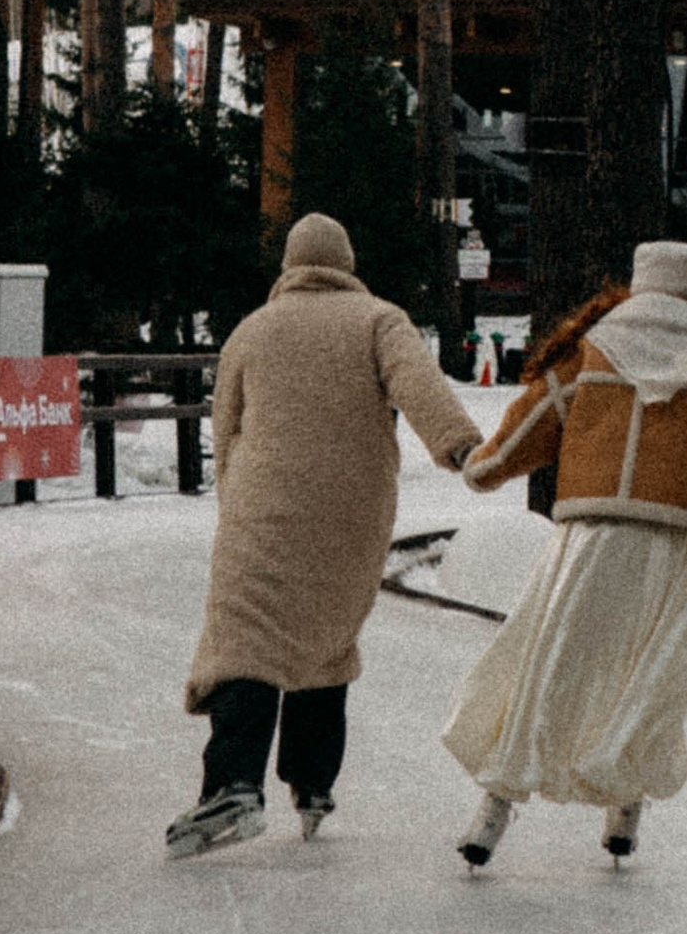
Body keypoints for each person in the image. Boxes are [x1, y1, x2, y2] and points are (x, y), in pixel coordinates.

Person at [442, 239, 687, 872]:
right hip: (670, 545)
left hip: (588, 538)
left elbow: (527, 427)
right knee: (648, 677)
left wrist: (482, 469)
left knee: (548, 669)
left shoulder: (590, 349)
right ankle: (625, 803)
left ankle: (494, 809)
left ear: (637, 282)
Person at [171, 212, 484, 856]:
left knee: (246, 638)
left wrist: (237, 504)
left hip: (263, 505)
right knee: (326, 635)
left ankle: (233, 782)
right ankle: (312, 783)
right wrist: (459, 447)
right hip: (355, 508)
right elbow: (420, 386)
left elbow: (225, 427)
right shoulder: (378, 319)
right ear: (345, 263)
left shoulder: (251, 331)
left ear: (290, 265)